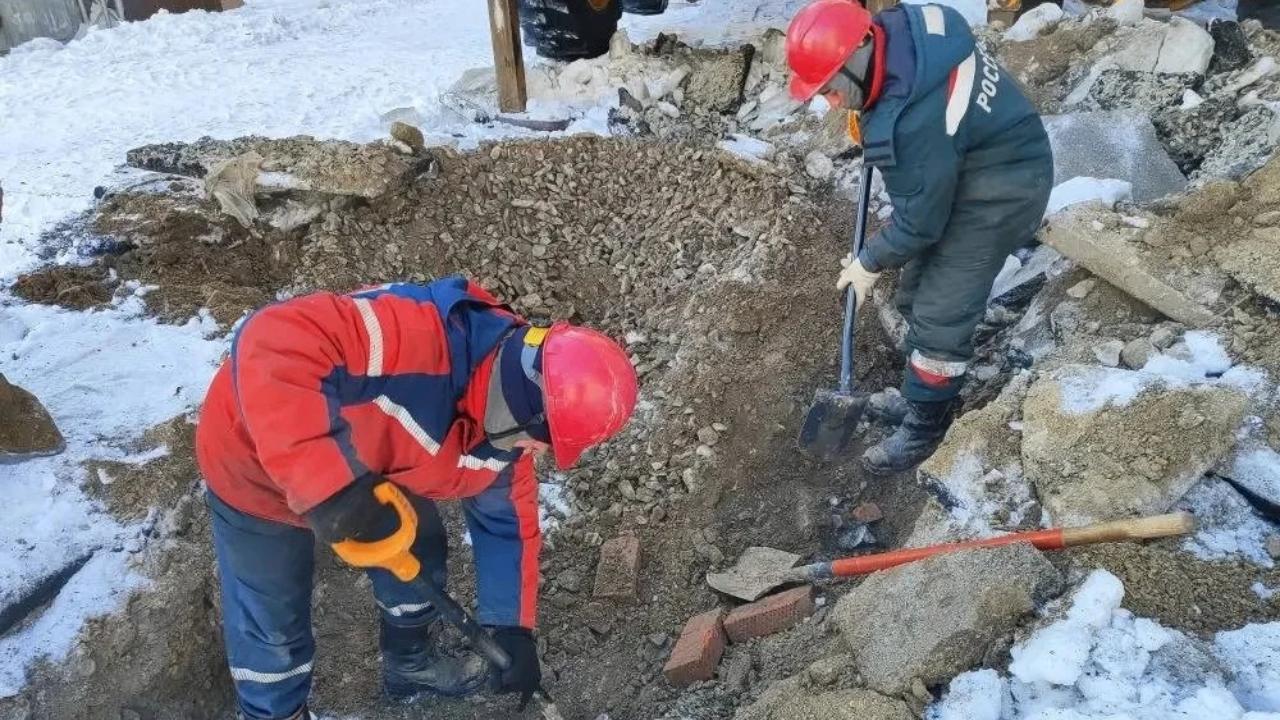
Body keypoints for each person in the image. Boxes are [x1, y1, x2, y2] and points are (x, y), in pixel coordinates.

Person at [195, 276, 638, 720]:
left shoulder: (506, 433)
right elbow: (272, 338)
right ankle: (275, 713)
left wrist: (511, 628)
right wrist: (331, 486)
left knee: (419, 548)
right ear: (525, 408)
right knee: (272, 620)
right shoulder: (415, 338)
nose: (540, 452)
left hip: (376, 461)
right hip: (253, 457)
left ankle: (409, 665)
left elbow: (508, 527)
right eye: (545, 439)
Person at [786, 0, 1054, 473]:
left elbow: (920, 225)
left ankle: (925, 428)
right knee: (913, 292)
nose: (831, 103)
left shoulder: (910, 122)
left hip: (1003, 190)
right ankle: (920, 392)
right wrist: (870, 110)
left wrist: (869, 260)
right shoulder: (906, 34)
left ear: (858, 54)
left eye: (830, 89)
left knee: (940, 313)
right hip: (975, 161)